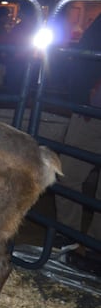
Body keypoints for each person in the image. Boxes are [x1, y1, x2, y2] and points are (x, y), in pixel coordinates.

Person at [56, 14, 101, 268]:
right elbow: (87, 53)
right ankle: (71, 238)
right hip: (92, 110)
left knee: (69, 174)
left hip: (91, 108)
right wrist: (81, 97)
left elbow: (86, 53)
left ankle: (91, 245)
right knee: (68, 174)